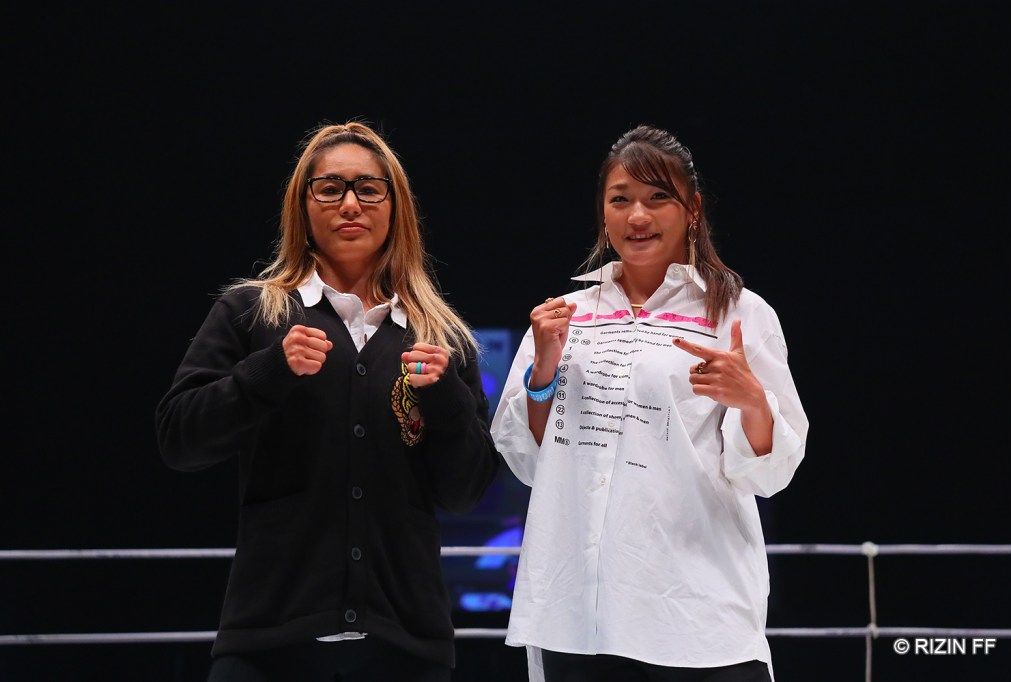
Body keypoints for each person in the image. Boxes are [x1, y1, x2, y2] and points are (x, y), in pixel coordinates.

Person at [155, 121, 500, 682]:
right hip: (270, 639)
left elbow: (465, 493)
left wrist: (448, 402)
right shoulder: (252, 312)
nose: (350, 204)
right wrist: (268, 370)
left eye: (369, 188)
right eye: (330, 188)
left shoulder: (440, 337)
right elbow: (179, 439)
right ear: (302, 205)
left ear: (395, 206)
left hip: (405, 644)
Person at [490, 124, 809, 682]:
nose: (638, 216)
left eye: (658, 197)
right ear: (603, 213)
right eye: (621, 200)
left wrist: (753, 403)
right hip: (576, 613)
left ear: (693, 209)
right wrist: (544, 368)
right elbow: (530, 461)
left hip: (696, 613)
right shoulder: (564, 316)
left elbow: (769, 475)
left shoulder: (739, 313)